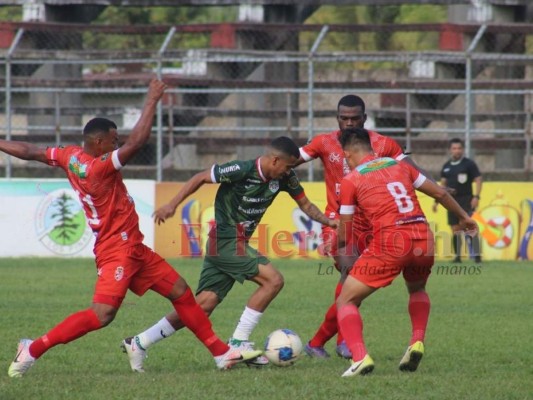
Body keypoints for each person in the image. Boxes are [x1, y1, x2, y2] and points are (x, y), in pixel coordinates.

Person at [3, 79, 262, 378]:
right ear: (100, 143)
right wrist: (152, 99)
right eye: (114, 139)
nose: (118, 143)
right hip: (117, 250)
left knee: (180, 292)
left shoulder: (70, 155)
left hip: (133, 247)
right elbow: (137, 143)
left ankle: (220, 353)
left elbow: (29, 150)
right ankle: (32, 349)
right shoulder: (100, 167)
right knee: (102, 315)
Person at [120, 136, 337, 372]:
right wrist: (172, 204)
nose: (290, 172)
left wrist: (329, 222)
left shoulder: (284, 178)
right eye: (288, 166)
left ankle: (139, 342)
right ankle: (238, 342)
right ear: (275, 160)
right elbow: (201, 177)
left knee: (201, 307)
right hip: (225, 240)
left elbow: (305, 204)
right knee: (273, 281)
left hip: (231, 243)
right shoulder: (242, 169)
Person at [335, 128, 478, 377]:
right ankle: (416, 341)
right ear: (371, 147)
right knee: (417, 289)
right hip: (423, 237)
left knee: (346, 300)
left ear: (347, 154)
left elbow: (345, 234)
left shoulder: (352, 179)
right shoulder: (398, 164)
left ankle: (359, 357)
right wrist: (464, 217)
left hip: (391, 241)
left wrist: (334, 245)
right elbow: (440, 192)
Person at [298, 94, 427, 359]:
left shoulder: (382, 143)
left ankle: (317, 342)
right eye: (343, 118)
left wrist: (436, 184)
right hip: (338, 222)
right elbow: (291, 159)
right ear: (337, 119)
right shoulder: (324, 142)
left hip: (372, 224)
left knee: (353, 286)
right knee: (349, 274)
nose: (348, 123)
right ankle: (344, 343)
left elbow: (410, 168)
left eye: (354, 118)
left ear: (364, 118)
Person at [432, 138, 482, 263]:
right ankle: (458, 257)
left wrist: (476, 197)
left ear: (463, 149)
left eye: (459, 148)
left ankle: (477, 256)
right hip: (450, 201)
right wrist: (436, 201)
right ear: (450, 150)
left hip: (466, 199)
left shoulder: (469, 164)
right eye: (454, 148)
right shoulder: (447, 166)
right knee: (455, 229)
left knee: (466, 225)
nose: (457, 151)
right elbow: (442, 185)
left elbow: (478, 179)